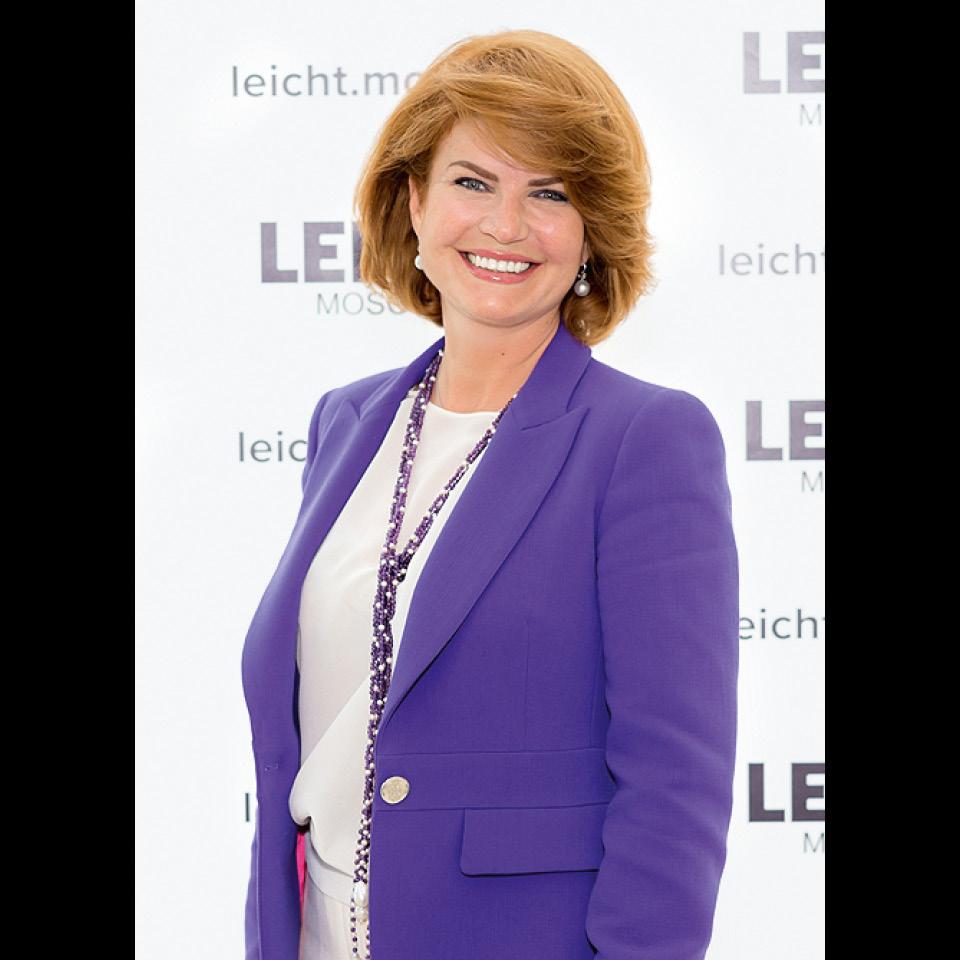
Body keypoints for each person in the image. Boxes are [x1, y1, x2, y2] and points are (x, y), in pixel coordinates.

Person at [242, 29, 738, 960]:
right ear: (414, 201)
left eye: (549, 193)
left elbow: (675, 788)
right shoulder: (347, 422)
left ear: (590, 230)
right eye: (473, 182)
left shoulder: (644, 440)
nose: (506, 226)